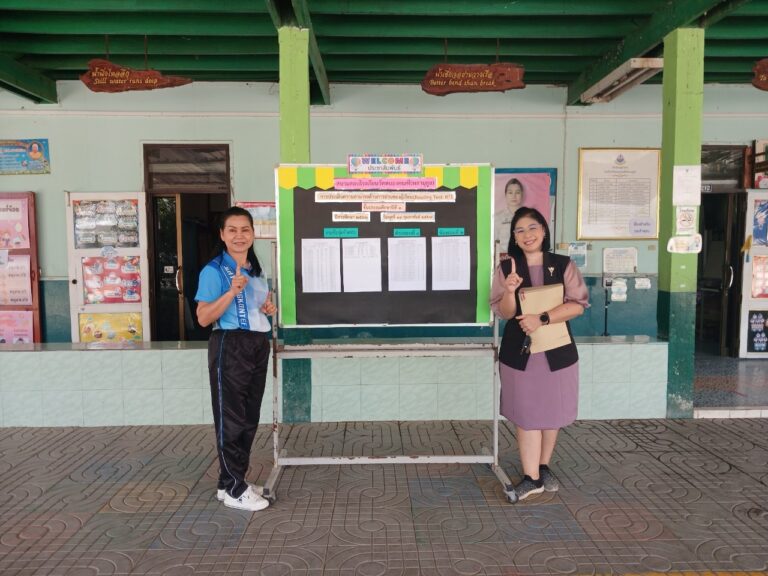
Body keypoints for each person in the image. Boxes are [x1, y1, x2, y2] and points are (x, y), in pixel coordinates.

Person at [489, 207, 588, 503]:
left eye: (532, 228)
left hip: (557, 351)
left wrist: (542, 318)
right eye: (519, 230)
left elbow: (578, 305)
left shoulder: (562, 265)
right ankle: (531, 478)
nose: (527, 234)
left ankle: (543, 467)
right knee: (528, 414)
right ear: (514, 237)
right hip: (520, 353)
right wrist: (509, 291)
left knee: (551, 412)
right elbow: (504, 312)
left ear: (544, 231)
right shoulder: (507, 268)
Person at [195, 206, 277, 512]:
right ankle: (234, 488)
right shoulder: (214, 270)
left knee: (248, 418)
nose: (239, 236)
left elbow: (258, 308)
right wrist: (230, 293)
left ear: (253, 234)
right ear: (222, 234)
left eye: (245, 230)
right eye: (232, 230)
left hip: (257, 343)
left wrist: (268, 309)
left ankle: (229, 481)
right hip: (229, 345)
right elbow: (203, 317)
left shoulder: (255, 269)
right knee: (230, 419)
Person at [494, 178, 525, 254]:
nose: (514, 196)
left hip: (524, 257)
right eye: (510, 193)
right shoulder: (497, 218)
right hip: (504, 257)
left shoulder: (529, 216)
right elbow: (494, 243)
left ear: (522, 194)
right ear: (505, 195)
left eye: (517, 192)